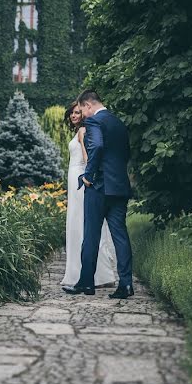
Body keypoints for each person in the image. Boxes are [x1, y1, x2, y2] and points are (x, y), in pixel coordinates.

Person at [63, 90, 134, 299]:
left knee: (91, 235)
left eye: (82, 110)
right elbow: (126, 152)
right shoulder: (118, 122)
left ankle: (86, 283)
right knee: (120, 235)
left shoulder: (94, 121)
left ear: (87, 105)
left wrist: (89, 174)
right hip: (119, 186)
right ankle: (126, 284)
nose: (82, 115)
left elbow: (98, 146)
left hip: (99, 187)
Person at [60, 101, 117, 287]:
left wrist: (89, 175)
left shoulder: (84, 131)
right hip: (73, 177)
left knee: (82, 223)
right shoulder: (79, 131)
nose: (74, 115)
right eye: (72, 113)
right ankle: (81, 273)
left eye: (78, 112)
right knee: (77, 223)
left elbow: (87, 156)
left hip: (80, 178)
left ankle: (94, 275)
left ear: (84, 113)